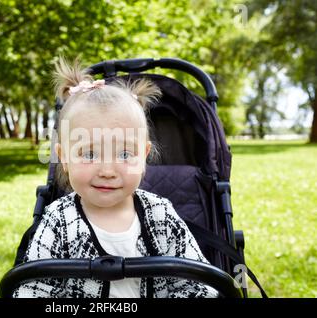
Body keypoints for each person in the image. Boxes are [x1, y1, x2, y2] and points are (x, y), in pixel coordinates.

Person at [13, 57, 218, 298]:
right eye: (89, 154)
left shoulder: (160, 215)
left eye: (124, 154)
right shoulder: (58, 221)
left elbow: (198, 286)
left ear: (143, 156)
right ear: (64, 158)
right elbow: (33, 290)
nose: (107, 170)